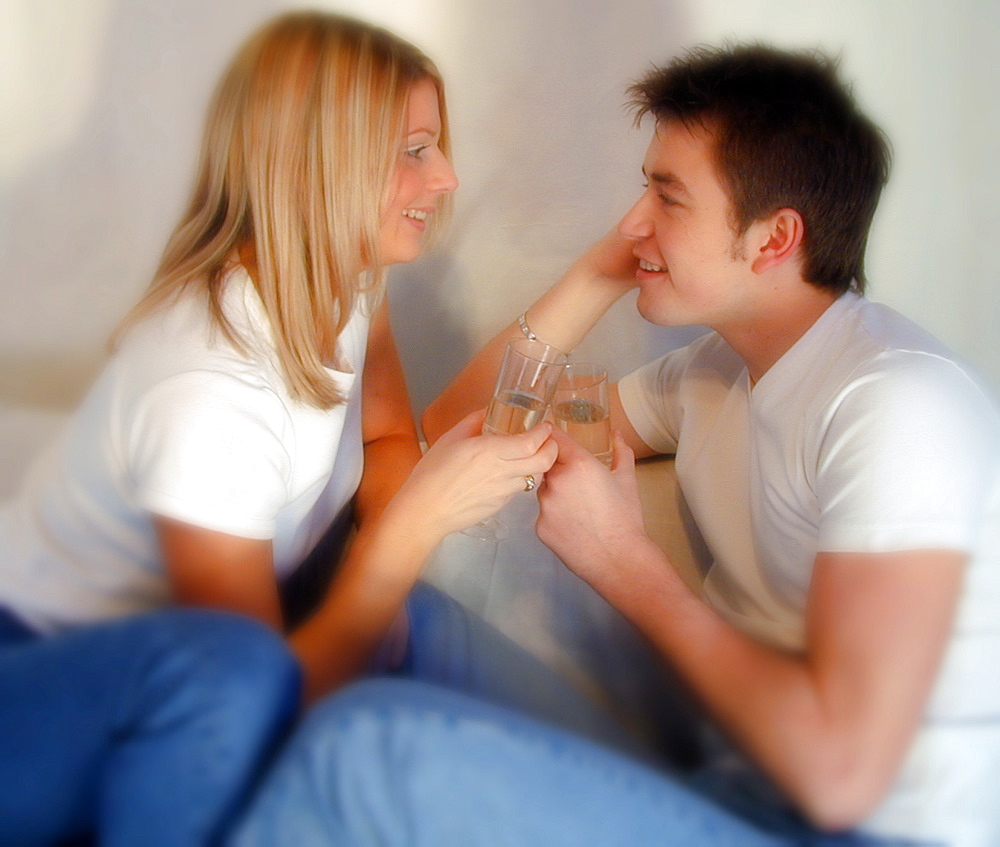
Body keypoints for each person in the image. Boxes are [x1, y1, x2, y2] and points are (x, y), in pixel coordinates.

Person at [228, 44, 1000, 846]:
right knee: (399, 620)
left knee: (366, 754)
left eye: (667, 197)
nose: (632, 221)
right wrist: (602, 272)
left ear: (774, 239)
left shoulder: (900, 406)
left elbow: (842, 776)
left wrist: (622, 559)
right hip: (727, 778)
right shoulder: (714, 371)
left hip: (851, 829)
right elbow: (462, 427)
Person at [0, 11, 560, 845]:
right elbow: (248, 696)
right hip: (53, 676)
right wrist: (403, 537)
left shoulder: (348, 281)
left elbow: (384, 439)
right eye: (414, 150)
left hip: (212, 644)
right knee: (336, 637)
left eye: (436, 145)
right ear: (319, 167)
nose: (445, 178)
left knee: (427, 624)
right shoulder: (209, 392)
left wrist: (382, 564)